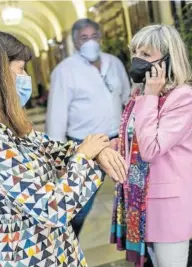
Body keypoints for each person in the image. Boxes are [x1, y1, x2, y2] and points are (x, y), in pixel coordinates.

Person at [0, 31, 127, 267]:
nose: (26, 77)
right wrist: (84, 156)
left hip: (50, 247)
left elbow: (57, 151)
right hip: (24, 253)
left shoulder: (5, 125)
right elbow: (53, 209)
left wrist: (97, 151)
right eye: (20, 69)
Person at [110, 24, 192, 267]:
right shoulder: (139, 95)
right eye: (136, 52)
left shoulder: (181, 97)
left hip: (168, 208)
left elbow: (150, 149)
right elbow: (135, 140)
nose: (138, 59)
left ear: (168, 60)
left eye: (146, 54)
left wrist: (150, 94)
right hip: (142, 203)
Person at [46, 18, 131, 237]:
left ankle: (141, 250)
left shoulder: (114, 63)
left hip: (118, 142)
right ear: (75, 41)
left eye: (94, 36)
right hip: (85, 146)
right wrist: (60, 161)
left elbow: (127, 99)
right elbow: (56, 117)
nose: (90, 42)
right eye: (84, 38)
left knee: (133, 197)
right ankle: (65, 246)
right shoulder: (64, 71)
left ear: (101, 38)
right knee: (80, 206)